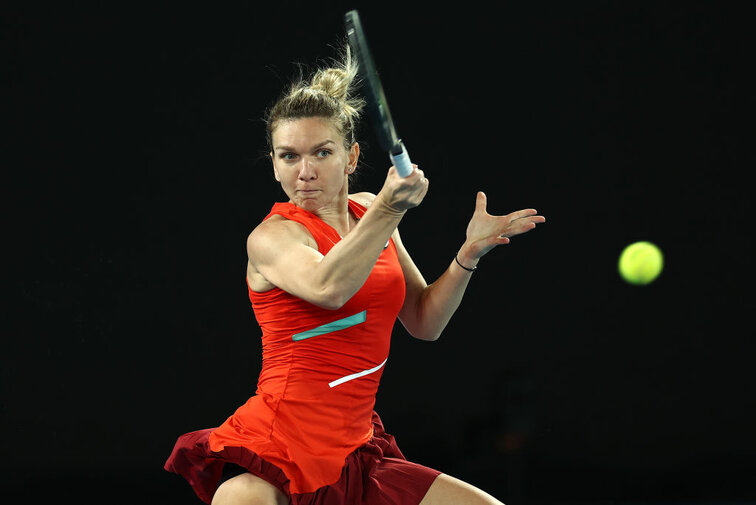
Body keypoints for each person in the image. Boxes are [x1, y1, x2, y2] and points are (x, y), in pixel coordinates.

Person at [164, 45, 545, 505]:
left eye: (322, 153)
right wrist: (391, 208)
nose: (305, 172)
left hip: (357, 448)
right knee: (241, 498)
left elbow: (424, 321)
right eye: (288, 156)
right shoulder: (272, 238)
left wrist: (467, 255)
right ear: (274, 164)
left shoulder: (369, 212)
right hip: (280, 442)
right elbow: (328, 287)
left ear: (351, 157)